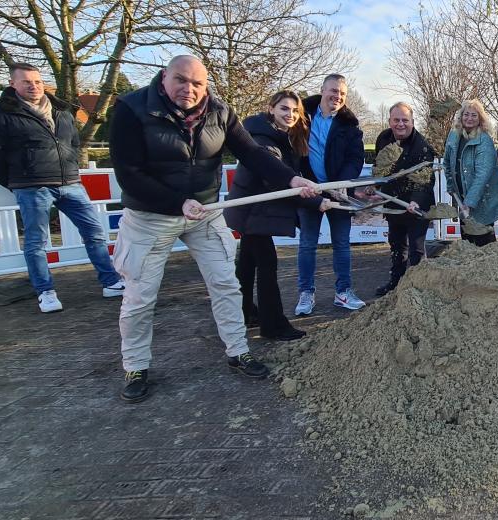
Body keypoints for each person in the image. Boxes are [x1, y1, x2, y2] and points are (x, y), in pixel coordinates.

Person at [109, 56, 318, 403]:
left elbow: (251, 152)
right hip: (149, 216)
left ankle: (239, 351)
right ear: (164, 77)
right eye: (180, 80)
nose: (188, 89)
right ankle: (135, 366)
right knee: (140, 297)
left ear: (206, 85)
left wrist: (292, 179)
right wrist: (177, 202)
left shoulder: (220, 112)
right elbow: (128, 173)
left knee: (226, 283)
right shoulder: (131, 110)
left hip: (205, 212)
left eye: (197, 84)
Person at [0, 63, 125, 313]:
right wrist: (16, 180)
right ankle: (46, 292)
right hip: (32, 187)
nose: (33, 86)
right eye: (26, 82)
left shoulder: (61, 110)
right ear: (13, 84)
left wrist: (72, 167)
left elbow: (73, 143)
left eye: (37, 81)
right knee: (37, 242)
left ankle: (111, 282)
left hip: (70, 183)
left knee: (95, 232)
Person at [224, 91, 330, 341]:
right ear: (270, 108)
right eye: (284, 109)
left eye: (295, 111)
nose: (290, 115)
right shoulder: (265, 140)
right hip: (253, 210)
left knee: (247, 265)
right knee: (267, 265)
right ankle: (273, 326)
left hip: (252, 210)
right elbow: (277, 180)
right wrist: (318, 202)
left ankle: (243, 312)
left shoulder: (279, 134)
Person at [295, 74, 366, 315]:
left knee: (342, 244)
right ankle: (306, 294)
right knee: (307, 244)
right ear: (323, 90)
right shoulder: (300, 117)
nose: (337, 97)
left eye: (342, 94)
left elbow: (356, 158)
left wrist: (340, 183)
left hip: (338, 192)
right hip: (308, 191)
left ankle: (343, 292)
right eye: (333, 91)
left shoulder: (350, 126)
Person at [372, 103, 437, 296]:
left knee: (416, 248)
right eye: (396, 120)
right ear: (390, 121)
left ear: (412, 122)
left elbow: (425, 181)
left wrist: (416, 201)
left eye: (405, 120)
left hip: (416, 205)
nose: (401, 124)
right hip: (393, 201)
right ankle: (396, 282)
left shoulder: (422, 147)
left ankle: (420, 287)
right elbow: (380, 169)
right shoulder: (383, 138)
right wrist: (376, 188)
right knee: (396, 245)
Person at [443, 99, 498, 247]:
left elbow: (482, 175)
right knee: (467, 242)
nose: (469, 118)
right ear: (461, 116)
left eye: (474, 116)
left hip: (483, 200)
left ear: (480, 119)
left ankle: (490, 268)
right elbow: (447, 163)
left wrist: (469, 203)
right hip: (463, 198)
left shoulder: (484, 140)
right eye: (466, 114)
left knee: (484, 243)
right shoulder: (454, 136)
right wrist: (451, 186)